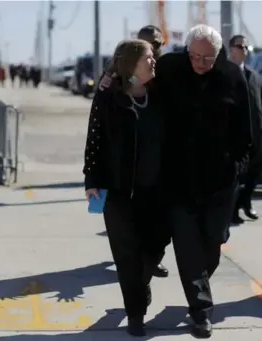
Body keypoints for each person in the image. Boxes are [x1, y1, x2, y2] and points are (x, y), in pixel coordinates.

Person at [155, 25, 252, 338]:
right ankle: (201, 311)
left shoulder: (232, 76)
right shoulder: (169, 68)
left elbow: (245, 129)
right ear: (186, 51)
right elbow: (137, 83)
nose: (199, 64)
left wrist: (239, 164)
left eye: (206, 59)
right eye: (194, 56)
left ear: (218, 54)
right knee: (187, 247)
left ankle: (199, 288)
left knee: (212, 244)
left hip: (220, 181)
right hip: (177, 180)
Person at [83, 39, 166, 337]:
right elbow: (94, 141)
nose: (154, 61)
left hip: (156, 193)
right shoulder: (107, 98)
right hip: (119, 193)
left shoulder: (160, 95)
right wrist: (91, 180)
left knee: (154, 249)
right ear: (132, 63)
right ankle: (135, 315)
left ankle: (140, 286)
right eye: (148, 57)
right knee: (126, 256)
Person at [99, 24, 170, 279]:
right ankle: (137, 279)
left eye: (158, 45)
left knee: (159, 231)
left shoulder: (166, 71)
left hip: (156, 169)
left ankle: (149, 262)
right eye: (149, 44)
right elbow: (103, 114)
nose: (155, 49)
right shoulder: (121, 78)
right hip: (126, 173)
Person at [229, 35, 262, 224]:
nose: (244, 49)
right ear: (231, 49)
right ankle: (233, 211)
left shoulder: (254, 75)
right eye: (240, 46)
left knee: (257, 172)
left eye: (246, 46)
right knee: (238, 176)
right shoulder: (225, 73)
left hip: (258, 132)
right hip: (237, 134)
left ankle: (246, 202)